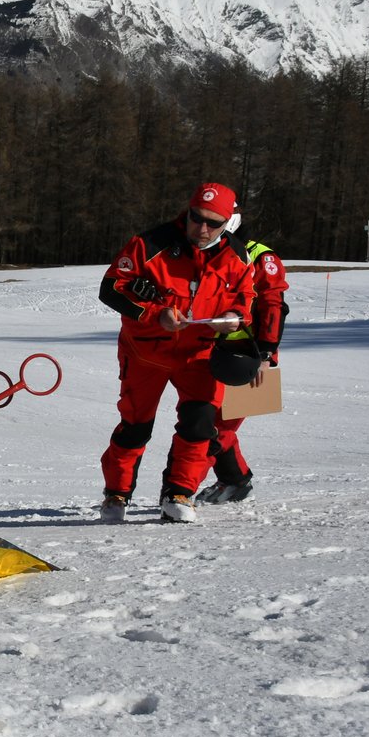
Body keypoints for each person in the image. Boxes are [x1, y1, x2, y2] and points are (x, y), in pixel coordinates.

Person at [97, 183, 256, 524]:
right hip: (146, 354)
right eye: (197, 218)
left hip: (199, 355)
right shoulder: (150, 243)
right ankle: (117, 493)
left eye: (213, 223)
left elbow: (246, 301)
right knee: (135, 426)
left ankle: (179, 492)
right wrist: (156, 314)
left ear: (227, 222)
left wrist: (234, 318)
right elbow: (111, 289)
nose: (202, 228)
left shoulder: (238, 256)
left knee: (200, 424)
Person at [198, 219, 289, 504]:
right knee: (200, 419)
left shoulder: (260, 256)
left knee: (214, 429)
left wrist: (265, 354)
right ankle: (234, 480)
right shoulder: (209, 251)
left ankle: (181, 489)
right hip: (207, 350)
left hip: (245, 354)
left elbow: (274, 307)